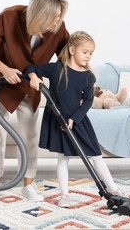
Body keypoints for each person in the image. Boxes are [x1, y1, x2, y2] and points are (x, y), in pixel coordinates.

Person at [0, 0, 69, 202]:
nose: (58, 22)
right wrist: (4, 70)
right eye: (54, 17)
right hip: (0, 81)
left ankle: (28, 184)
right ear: (40, 15)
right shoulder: (9, 16)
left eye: (59, 17)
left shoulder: (58, 27)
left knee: (30, 135)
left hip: (30, 86)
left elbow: (65, 55)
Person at [24, 31, 123, 207]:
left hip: (78, 120)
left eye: (91, 53)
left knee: (96, 156)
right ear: (71, 50)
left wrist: (74, 119)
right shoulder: (56, 69)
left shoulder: (88, 76)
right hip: (58, 119)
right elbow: (30, 68)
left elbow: (88, 100)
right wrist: (33, 77)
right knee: (63, 158)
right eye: (85, 52)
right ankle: (65, 195)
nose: (89, 56)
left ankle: (114, 189)